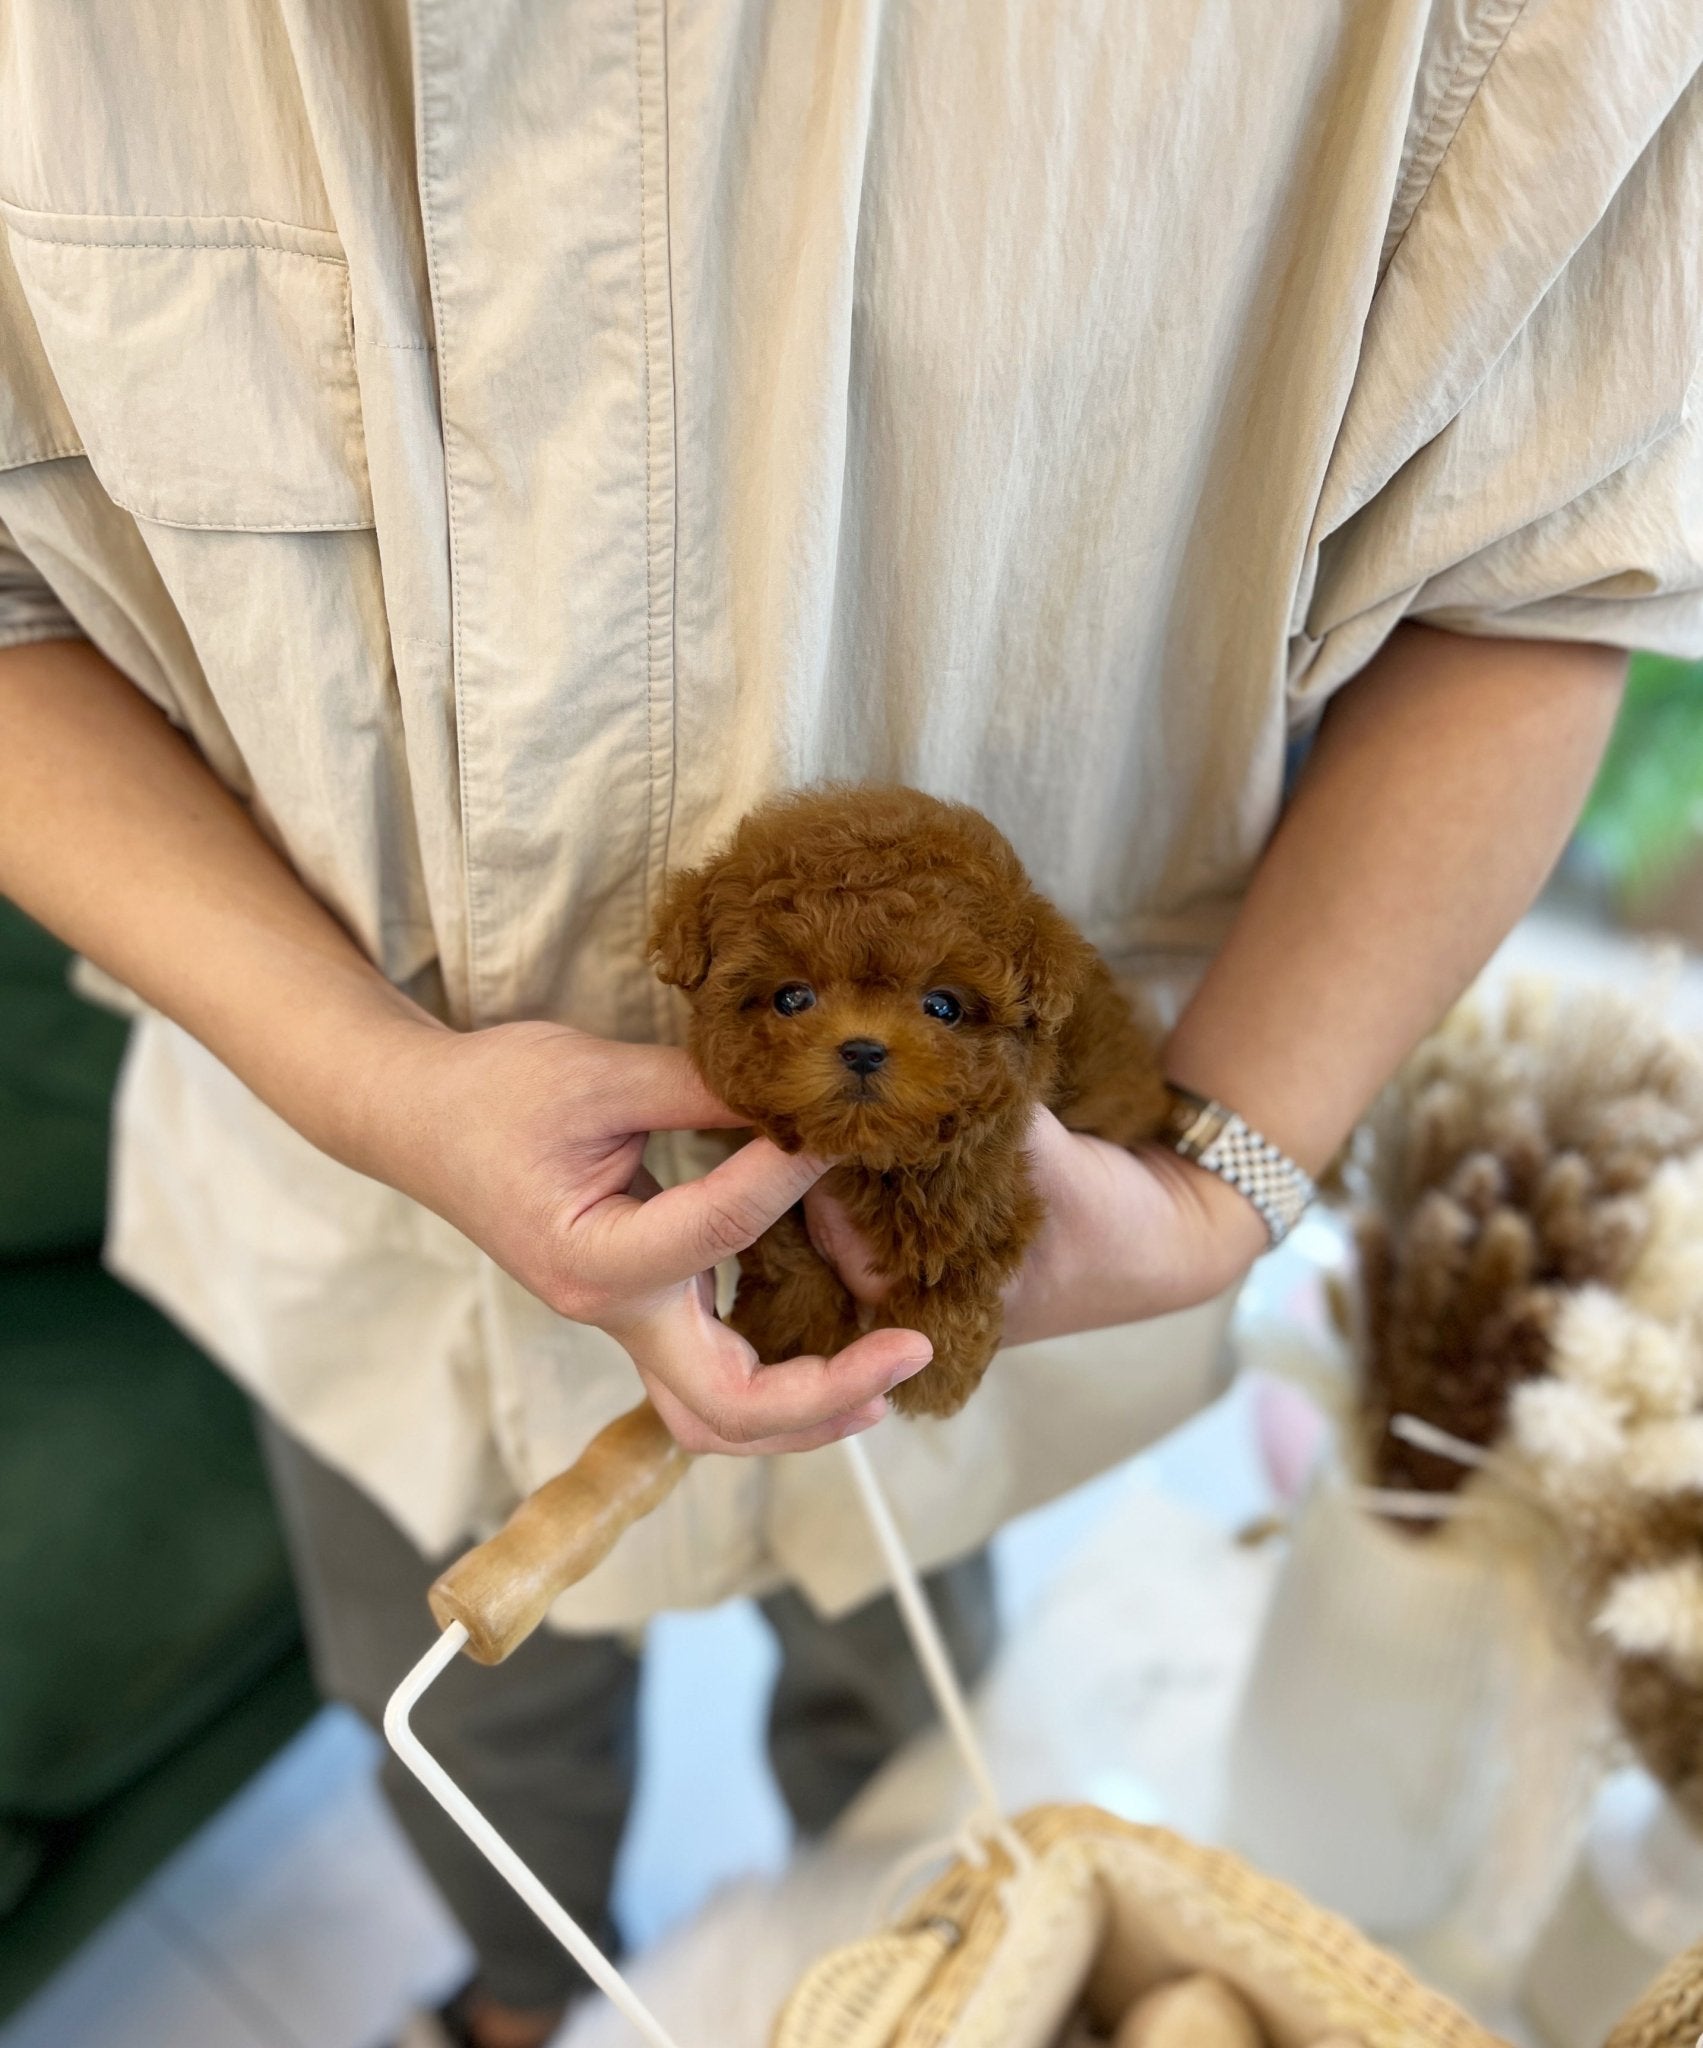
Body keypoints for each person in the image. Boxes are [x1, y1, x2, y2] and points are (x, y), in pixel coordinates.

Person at [1, 5, 1699, 2043]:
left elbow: (1548, 566)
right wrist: (370, 1082)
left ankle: (912, 1942)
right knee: (456, 1696)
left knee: (906, 1695)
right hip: (340, 1214)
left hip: (1010, 1261)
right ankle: (526, 1994)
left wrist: (1228, 1175)